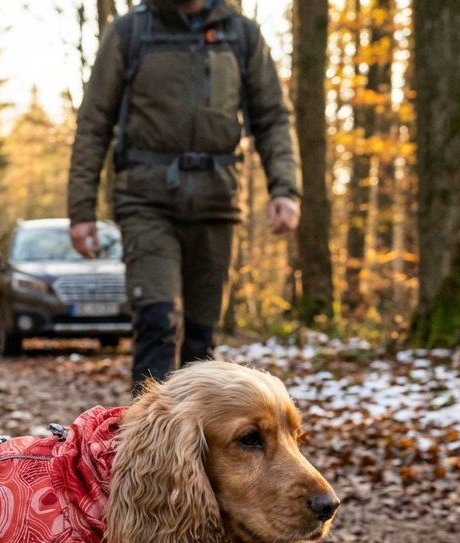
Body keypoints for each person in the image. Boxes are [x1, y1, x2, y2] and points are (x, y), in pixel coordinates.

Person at [68, 0, 300, 389]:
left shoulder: (241, 34)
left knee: (201, 343)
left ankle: (196, 430)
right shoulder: (129, 32)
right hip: (146, 202)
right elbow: (93, 124)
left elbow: (273, 117)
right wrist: (81, 209)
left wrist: (285, 189)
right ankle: (147, 429)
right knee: (158, 323)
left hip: (218, 203)